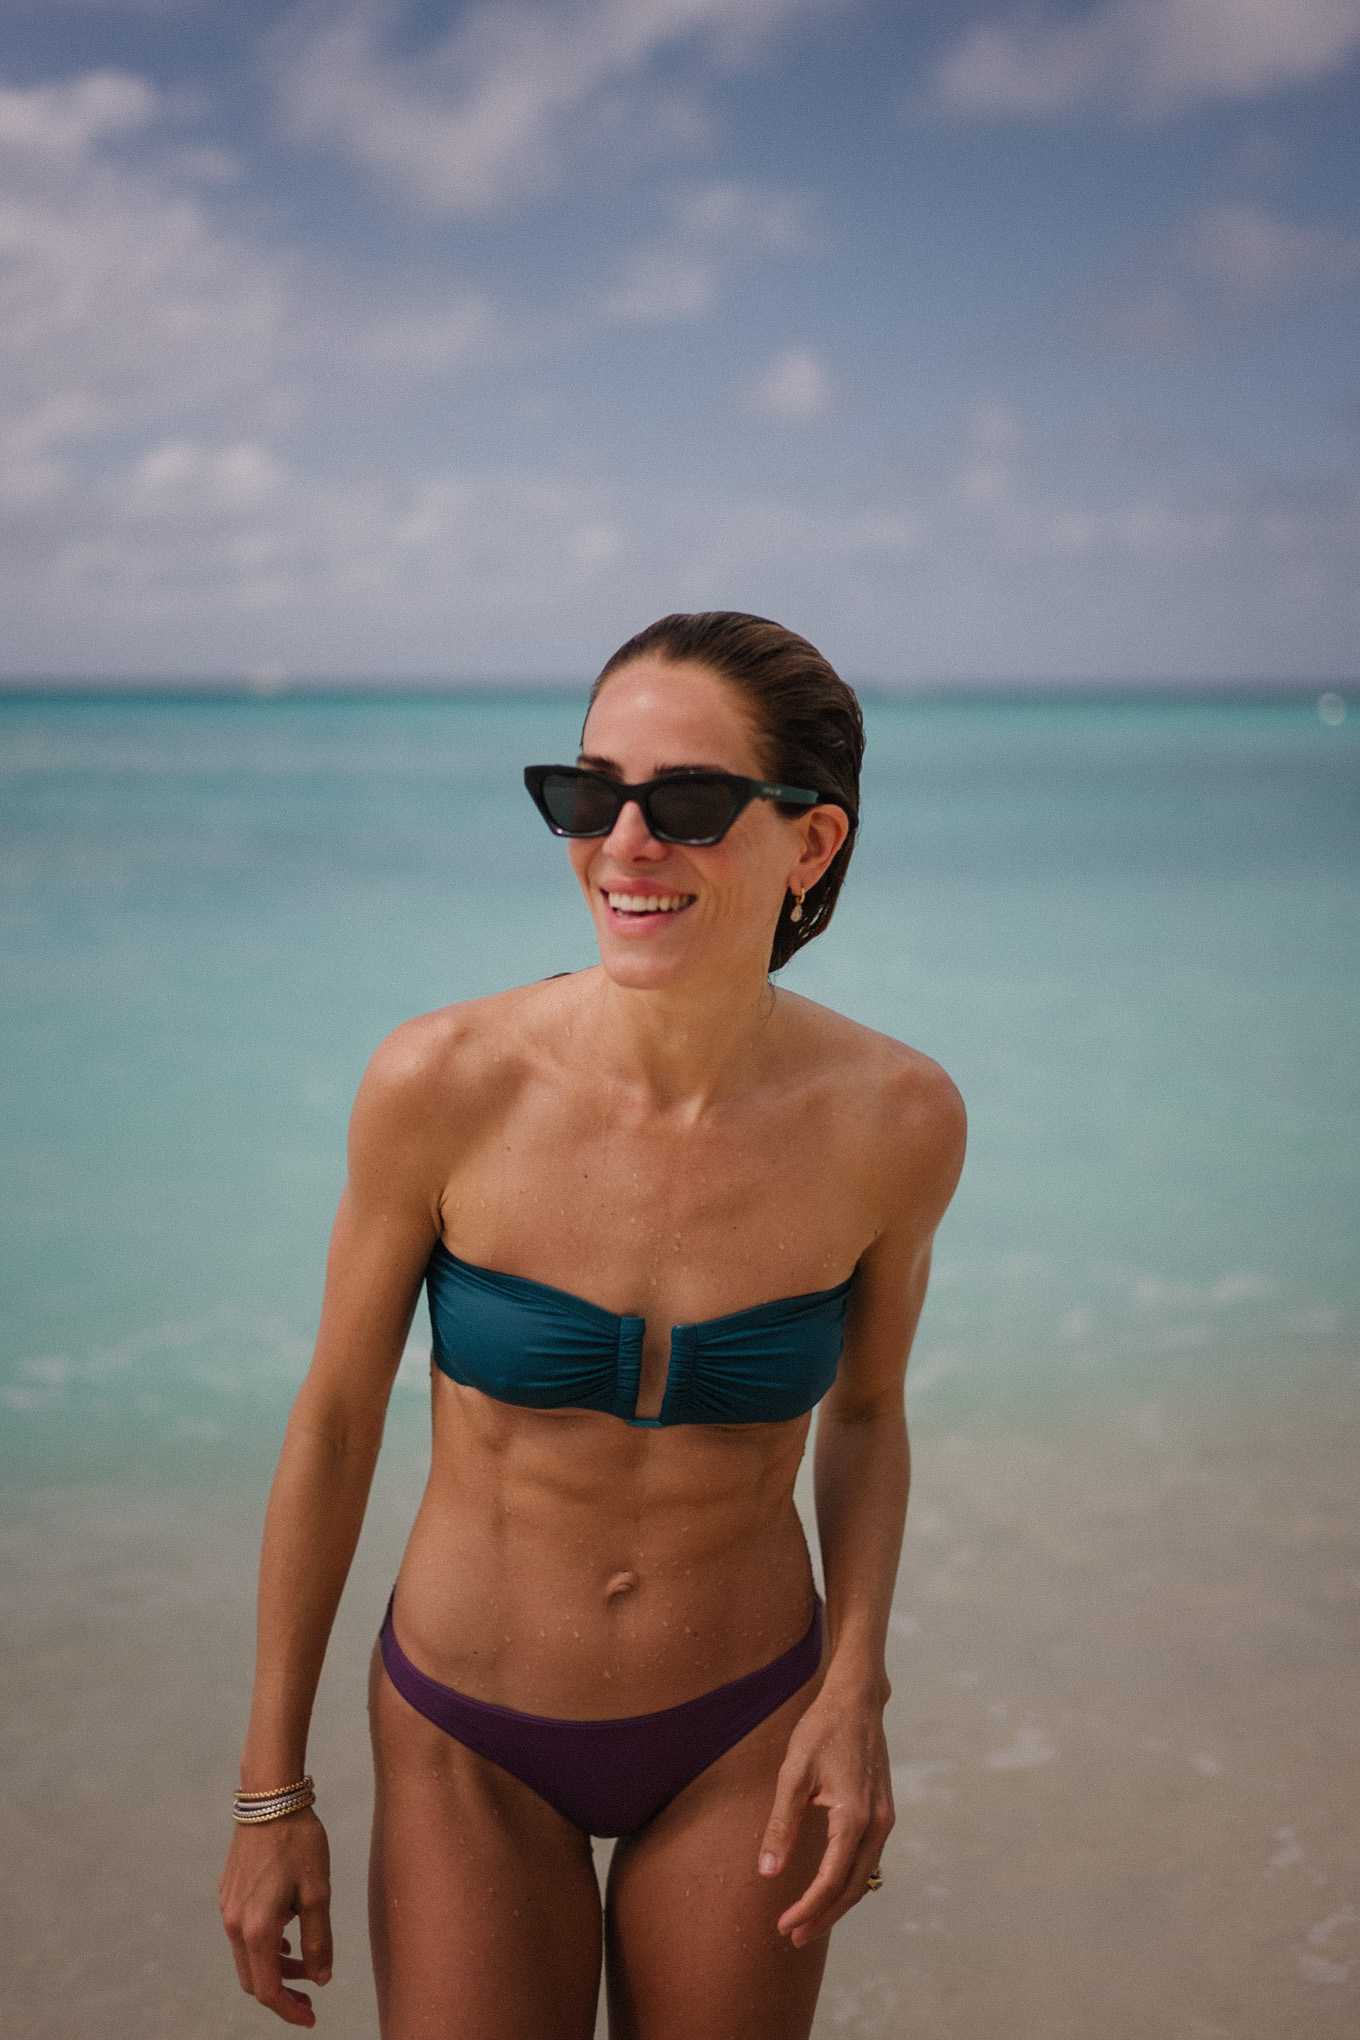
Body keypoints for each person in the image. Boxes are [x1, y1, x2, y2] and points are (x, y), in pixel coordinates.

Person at [219, 611, 966, 2040]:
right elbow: (334, 1424)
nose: (624, 843)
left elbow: (869, 1413)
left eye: (687, 802)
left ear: (812, 843)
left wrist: (856, 1686)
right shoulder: (443, 1082)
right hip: (468, 1735)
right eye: (588, 793)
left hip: (749, 1723)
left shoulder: (896, 1119)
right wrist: (270, 1792)